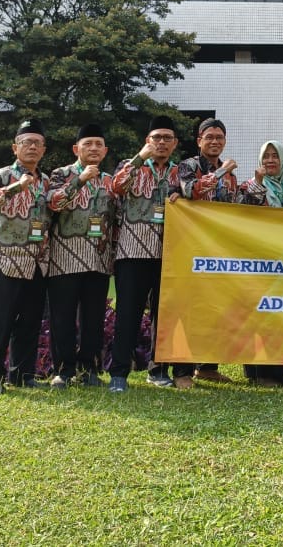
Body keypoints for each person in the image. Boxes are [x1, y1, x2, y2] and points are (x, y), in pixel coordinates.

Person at [107, 116, 189, 392]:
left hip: (168, 254)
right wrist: (140, 158)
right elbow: (116, 187)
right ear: (147, 141)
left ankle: (158, 370)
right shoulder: (131, 166)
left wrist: (183, 197)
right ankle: (119, 373)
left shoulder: (181, 172)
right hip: (133, 252)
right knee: (128, 315)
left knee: (162, 315)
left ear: (175, 143)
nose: (162, 143)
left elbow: (196, 197)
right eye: (157, 138)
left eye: (167, 138)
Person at [0, 120, 52, 395]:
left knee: (29, 322)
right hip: (4, 258)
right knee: (0, 321)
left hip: (36, 261)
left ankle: (22, 374)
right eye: (26, 142)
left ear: (43, 149)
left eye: (36, 143)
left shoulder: (47, 181)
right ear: (14, 147)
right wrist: (16, 187)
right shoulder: (2, 174)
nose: (31, 147)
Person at [45, 123, 114, 388]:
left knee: (93, 319)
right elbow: (54, 202)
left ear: (105, 150)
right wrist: (81, 179)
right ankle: (63, 371)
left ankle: (89, 370)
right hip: (65, 259)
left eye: (99, 144)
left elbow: (116, 218)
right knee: (62, 317)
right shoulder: (60, 174)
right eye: (88, 144)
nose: (94, 148)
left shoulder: (109, 180)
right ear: (76, 149)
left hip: (98, 260)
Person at [176, 117, 241, 383]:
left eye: (219, 138)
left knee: (216, 307)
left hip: (219, 253)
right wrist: (220, 172)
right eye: (209, 137)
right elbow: (191, 191)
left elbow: (236, 209)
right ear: (199, 140)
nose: (215, 142)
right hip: (191, 248)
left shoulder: (232, 177)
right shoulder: (188, 166)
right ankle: (182, 370)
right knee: (190, 307)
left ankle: (207, 365)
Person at [238, 140, 283, 387]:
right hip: (259, 260)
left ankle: (281, 369)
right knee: (261, 313)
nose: (270, 160)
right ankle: (259, 371)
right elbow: (243, 212)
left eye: (275, 156)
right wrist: (257, 185)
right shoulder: (250, 185)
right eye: (265, 156)